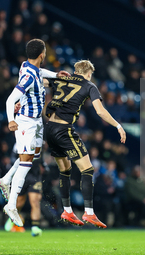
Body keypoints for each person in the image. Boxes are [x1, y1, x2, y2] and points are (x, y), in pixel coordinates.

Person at [0, 38, 69, 227]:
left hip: (36, 121)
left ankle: (5, 179)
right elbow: (10, 100)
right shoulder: (27, 75)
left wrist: (55, 75)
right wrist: (11, 120)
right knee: (26, 162)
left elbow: (40, 72)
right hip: (26, 122)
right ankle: (11, 205)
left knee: (34, 156)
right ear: (42, 54)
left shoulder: (28, 66)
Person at [45, 60, 126, 229]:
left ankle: (67, 210)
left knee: (65, 170)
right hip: (63, 129)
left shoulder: (61, 78)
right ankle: (89, 212)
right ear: (89, 73)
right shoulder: (90, 85)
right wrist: (118, 126)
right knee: (88, 169)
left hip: (49, 128)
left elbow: (39, 80)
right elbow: (100, 111)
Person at [4, 144, 43, 237]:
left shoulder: (40, 140)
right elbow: (13, 158)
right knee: (19, 203)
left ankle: (35, 227)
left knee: (35, 201)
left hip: (35, 176)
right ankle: (12, 219)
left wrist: (44, 165)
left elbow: (40, 156)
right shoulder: (19, 142)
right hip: (22, 175)